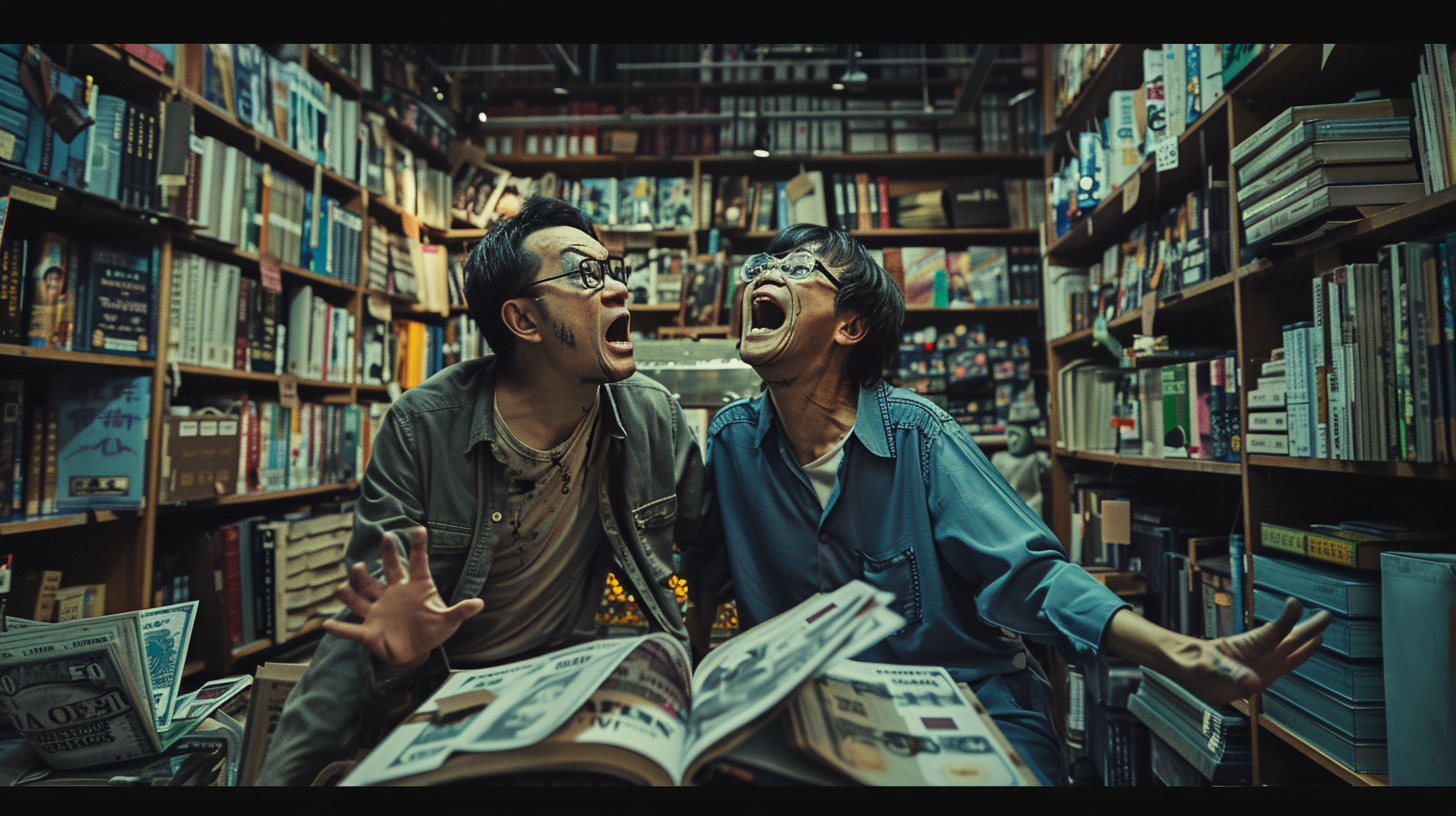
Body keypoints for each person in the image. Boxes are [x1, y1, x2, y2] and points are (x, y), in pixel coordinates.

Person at [684, 224, 1332, 786]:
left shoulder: (919, 434)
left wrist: (1180, 654)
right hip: (812, 720)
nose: (766, 274)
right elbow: (702, 572)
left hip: (965, 705)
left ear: (852, 325)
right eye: (761, 267)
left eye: (797, 268)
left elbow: (1032, 577)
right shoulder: (733, 441)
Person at [257, 196, 718, 785]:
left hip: (571, 681)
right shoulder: (421, 427)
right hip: (449, 690)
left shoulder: (653, 417)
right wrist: (403, 657)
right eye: (584, 273)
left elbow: (705, 551)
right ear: (523, 321)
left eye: (612, 269)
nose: (617, 289)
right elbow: (369, 630)